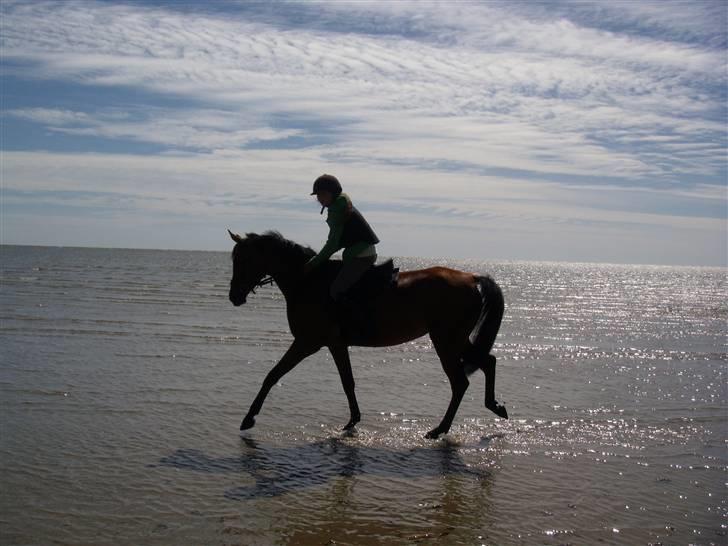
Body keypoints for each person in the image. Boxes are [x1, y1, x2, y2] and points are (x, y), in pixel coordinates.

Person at [304, 174, 379, 333]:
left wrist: (313, 263)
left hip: (361, 256)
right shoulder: (339, 203)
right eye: (317, 195)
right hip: (358, 253)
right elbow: (336, 243)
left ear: (333, 192)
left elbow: (333, 244)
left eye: (322, 194)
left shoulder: (337, 209)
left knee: (336, 290)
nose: (319, 198)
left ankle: (350, 327)